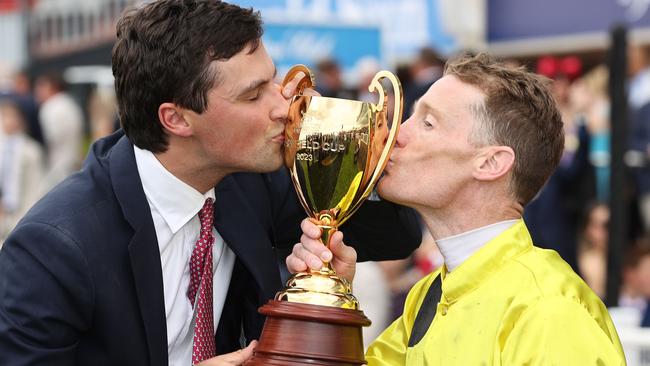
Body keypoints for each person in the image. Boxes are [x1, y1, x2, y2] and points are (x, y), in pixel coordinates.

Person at [0, 1, 421, 365]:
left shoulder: (248, 178)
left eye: (274, 80)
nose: (283, 106)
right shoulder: (54, 246)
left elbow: (395, 236)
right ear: (177, 119)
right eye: (253, 95)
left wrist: (345, 145)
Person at [287, 53, 625, 365]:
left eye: (428, 123)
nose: (397, 133)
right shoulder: (428, 293)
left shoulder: (549, 309)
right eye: (412, 117)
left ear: (491, 162)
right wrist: (330, 298)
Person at [0, 101, 45, 243]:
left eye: (13, 117)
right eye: (4, 116)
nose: (8, 121)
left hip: (21, 211)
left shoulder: (31, 150)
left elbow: (35, 185)